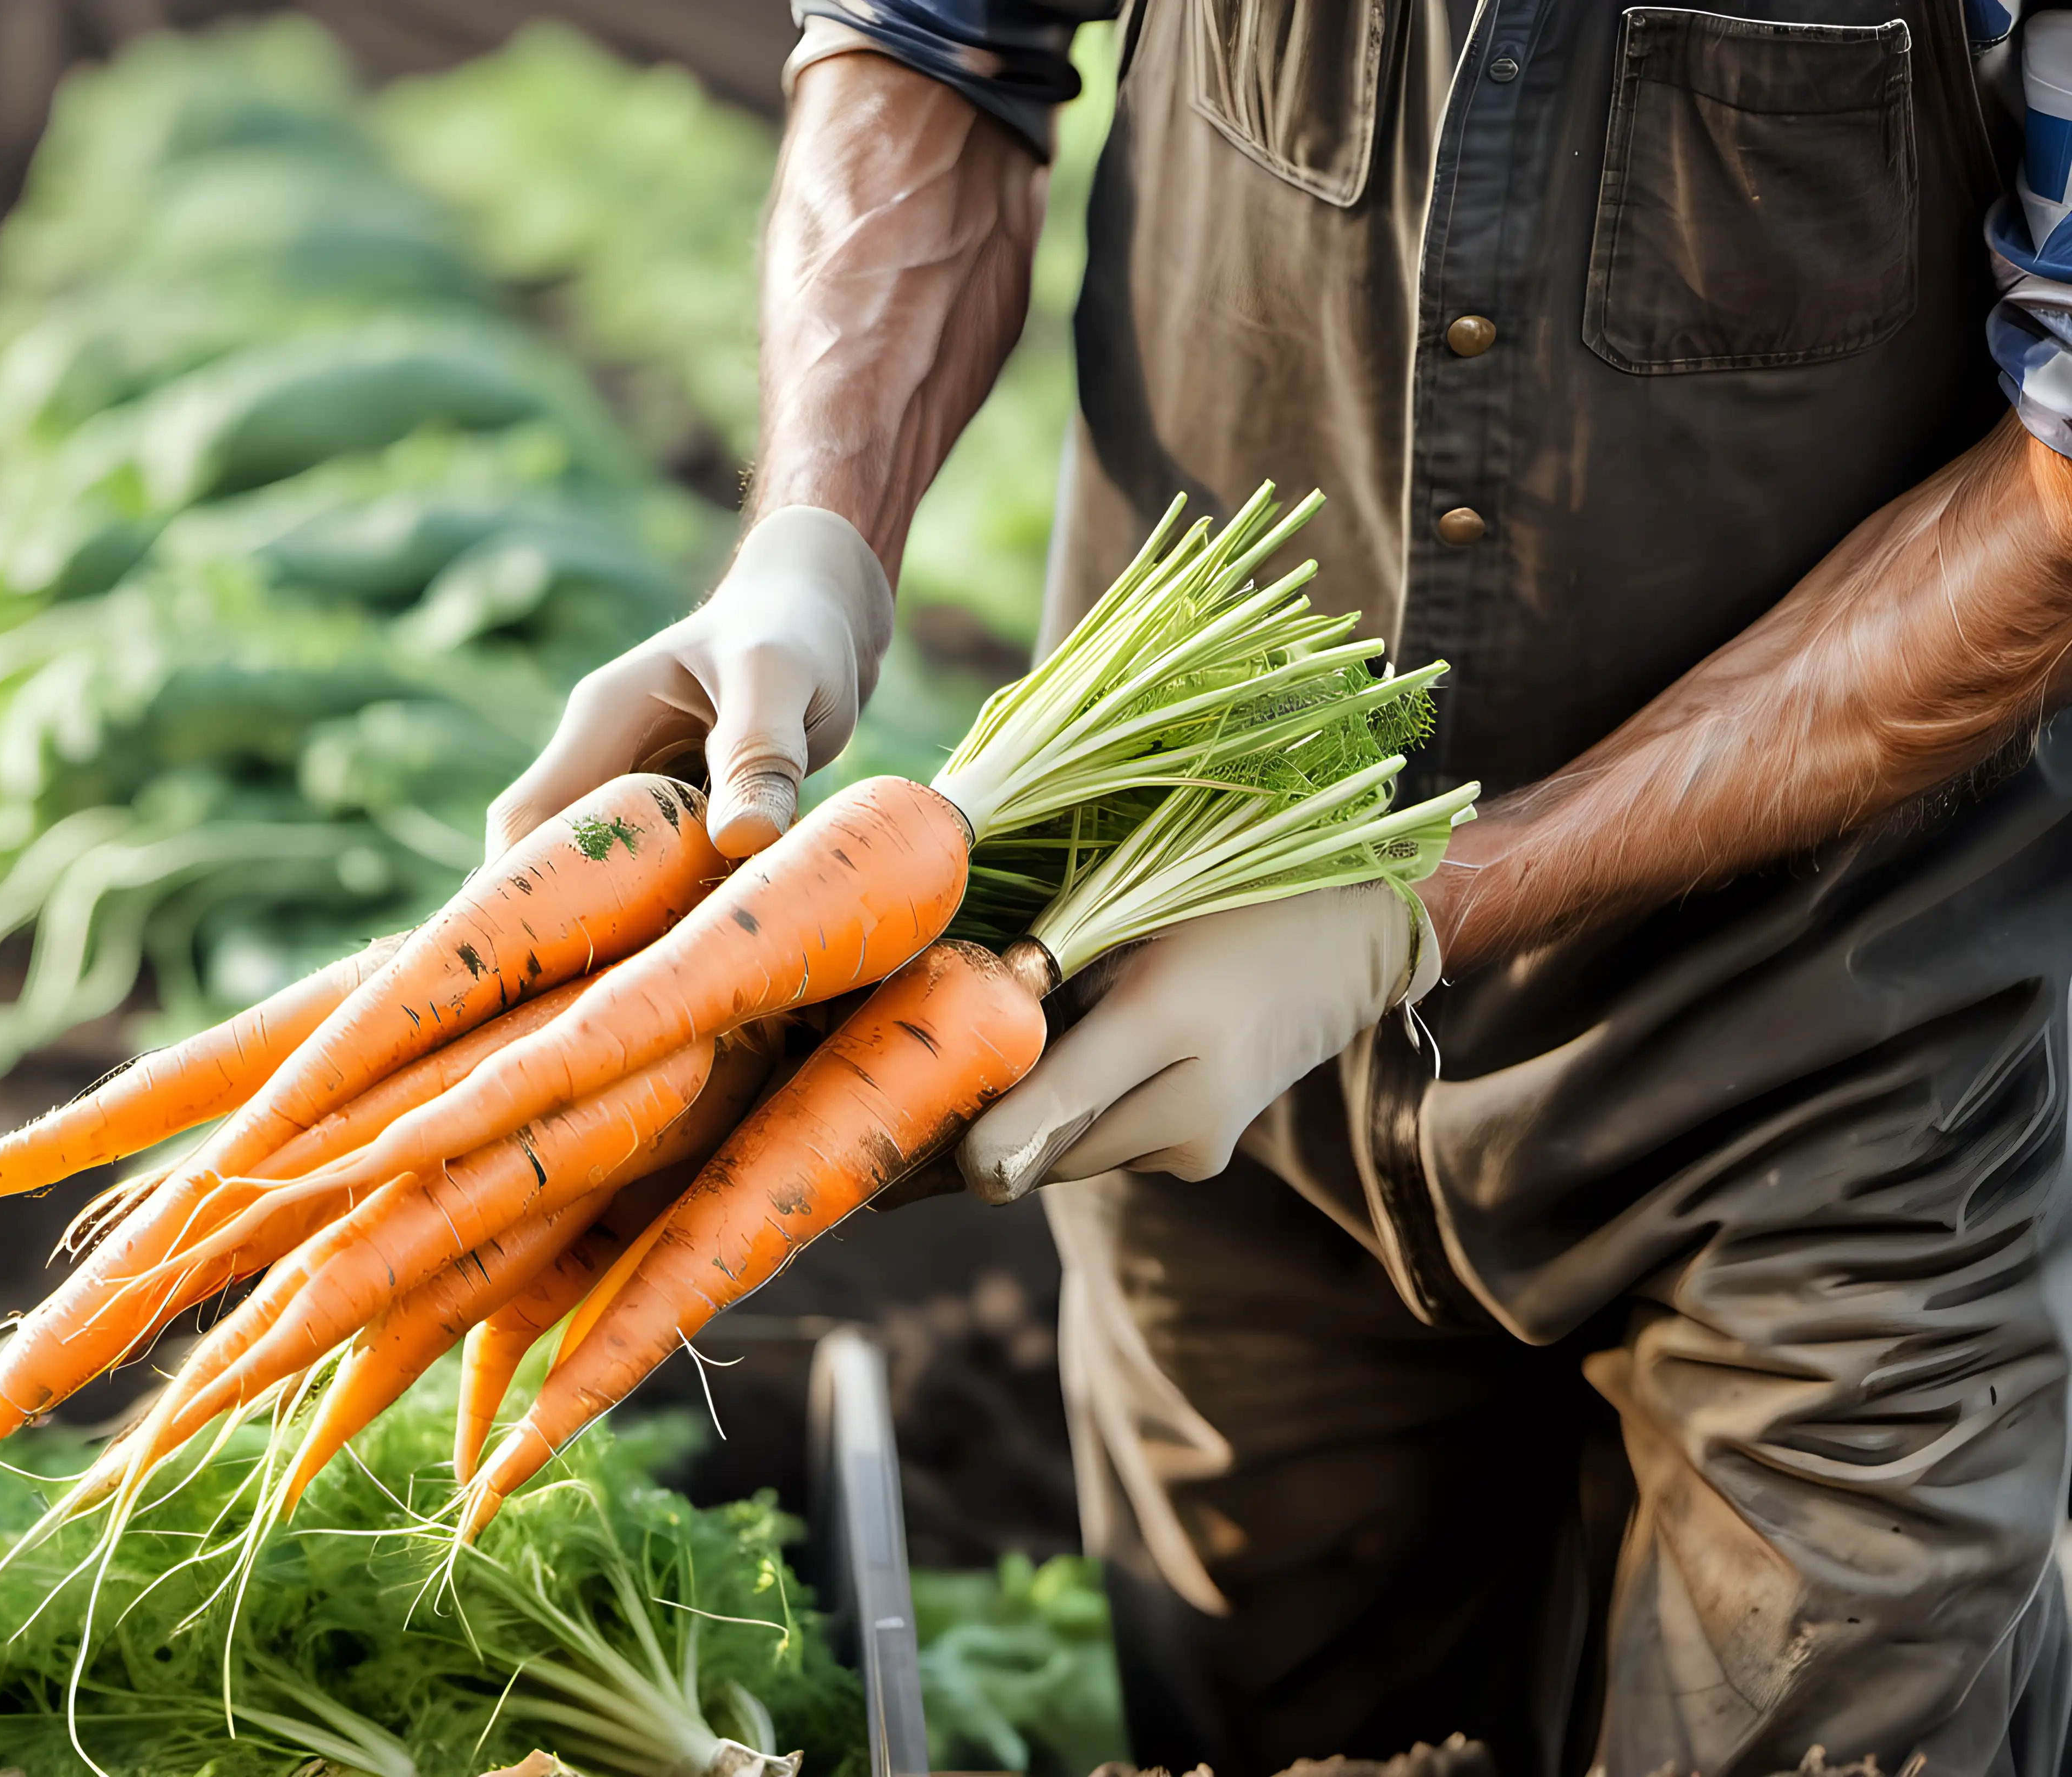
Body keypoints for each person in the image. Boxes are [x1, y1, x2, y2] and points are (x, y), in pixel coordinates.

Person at [482, 0, 2072, 1769]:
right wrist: (818, 529)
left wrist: (1417, 904)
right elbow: (931, 51)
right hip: (1202, 1087)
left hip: (1820, 1094)